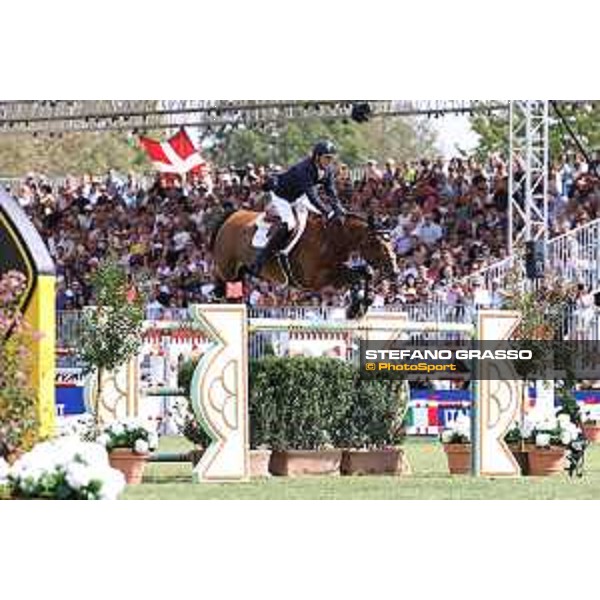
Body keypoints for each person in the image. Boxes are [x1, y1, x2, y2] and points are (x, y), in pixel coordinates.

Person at [247, 140, 346, 277]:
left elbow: (331, 192)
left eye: (331, 158)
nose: (330, 161)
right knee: (290, 224)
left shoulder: (327, 170)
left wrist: (339, 209)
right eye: (327, 158)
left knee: (317, 216)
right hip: (283, 196)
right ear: (317, 157)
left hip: (299, 195)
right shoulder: (304, 169)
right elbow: (312, 196)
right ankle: (261, 259)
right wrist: (328, 212)